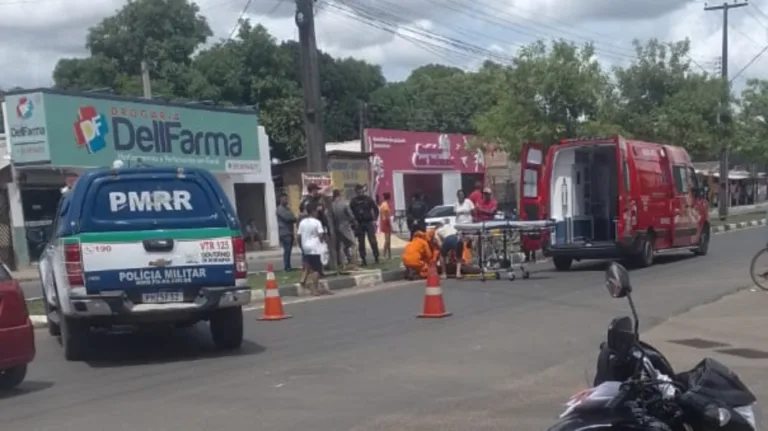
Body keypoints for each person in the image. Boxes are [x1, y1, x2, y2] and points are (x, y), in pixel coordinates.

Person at [297, 202, 332, 296]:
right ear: (313, 211)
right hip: (315, 248)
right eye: (316, 210)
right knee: (317, 269)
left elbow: (299, 236)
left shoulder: (302, 222)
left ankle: (303, 281)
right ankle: (315, 289)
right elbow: (321, 236)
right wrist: (324, 242)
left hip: (305, 247)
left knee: (309, 264)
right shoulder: (317, 222)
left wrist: (301, 246)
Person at [349, 184, 380, 266]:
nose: (361, 193)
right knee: (361, 242)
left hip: (368, 222)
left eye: (362, 191)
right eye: (359, 191)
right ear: (356, 192)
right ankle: (363, 259)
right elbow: (350, 213)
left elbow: (376, 209)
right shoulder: (353, 201)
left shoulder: (368, 199)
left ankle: (376, 257)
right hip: (359, 223)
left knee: (373, 240)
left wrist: (375, 219)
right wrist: (353, 223)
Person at [330, 189, 358, 270]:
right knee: (353, 244)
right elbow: (351, 216)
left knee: (342, 246)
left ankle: (343, 264)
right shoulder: (344, 204)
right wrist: (353, 222)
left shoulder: (331, 205)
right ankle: (354, 262)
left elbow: (331, 217)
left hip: (336, 228)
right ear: (339, 195)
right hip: (346, 226)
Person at [275, 193, 297, 271]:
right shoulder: (280, 209)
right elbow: (288, 218)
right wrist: (292, 218)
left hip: (289, 232)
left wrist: (293, 218)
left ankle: (288, 265)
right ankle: (287, 267)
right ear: (280, 199)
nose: (286, 200)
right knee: (287, 250)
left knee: (289, 250)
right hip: (284, 232)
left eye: (286, 199)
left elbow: (293, 217)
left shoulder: (287, 209)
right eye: (284, 199)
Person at [379, 192, 393, 260]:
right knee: (387, 240)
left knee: (388, 240)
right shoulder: (385, 205)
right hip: (386, 222)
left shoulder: (382, 204)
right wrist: (391, 226)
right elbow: (387, 217)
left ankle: (389, 255)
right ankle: (384, 255)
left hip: (383, 221)